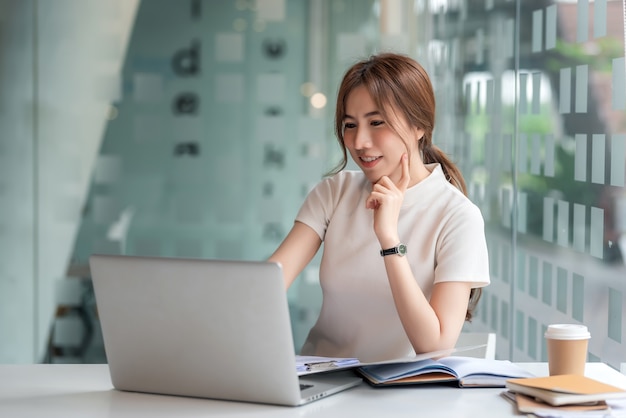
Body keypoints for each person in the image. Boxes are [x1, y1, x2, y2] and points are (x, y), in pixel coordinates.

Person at [268, 52, 490, 363]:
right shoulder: (333, 193)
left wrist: (389, 240)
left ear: (419, 126)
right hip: (321, 383)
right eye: (350, 124)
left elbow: (435, 344)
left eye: (377, 123)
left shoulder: (457, 216)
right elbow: (268, 285)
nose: (359, 141)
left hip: (401, 394)